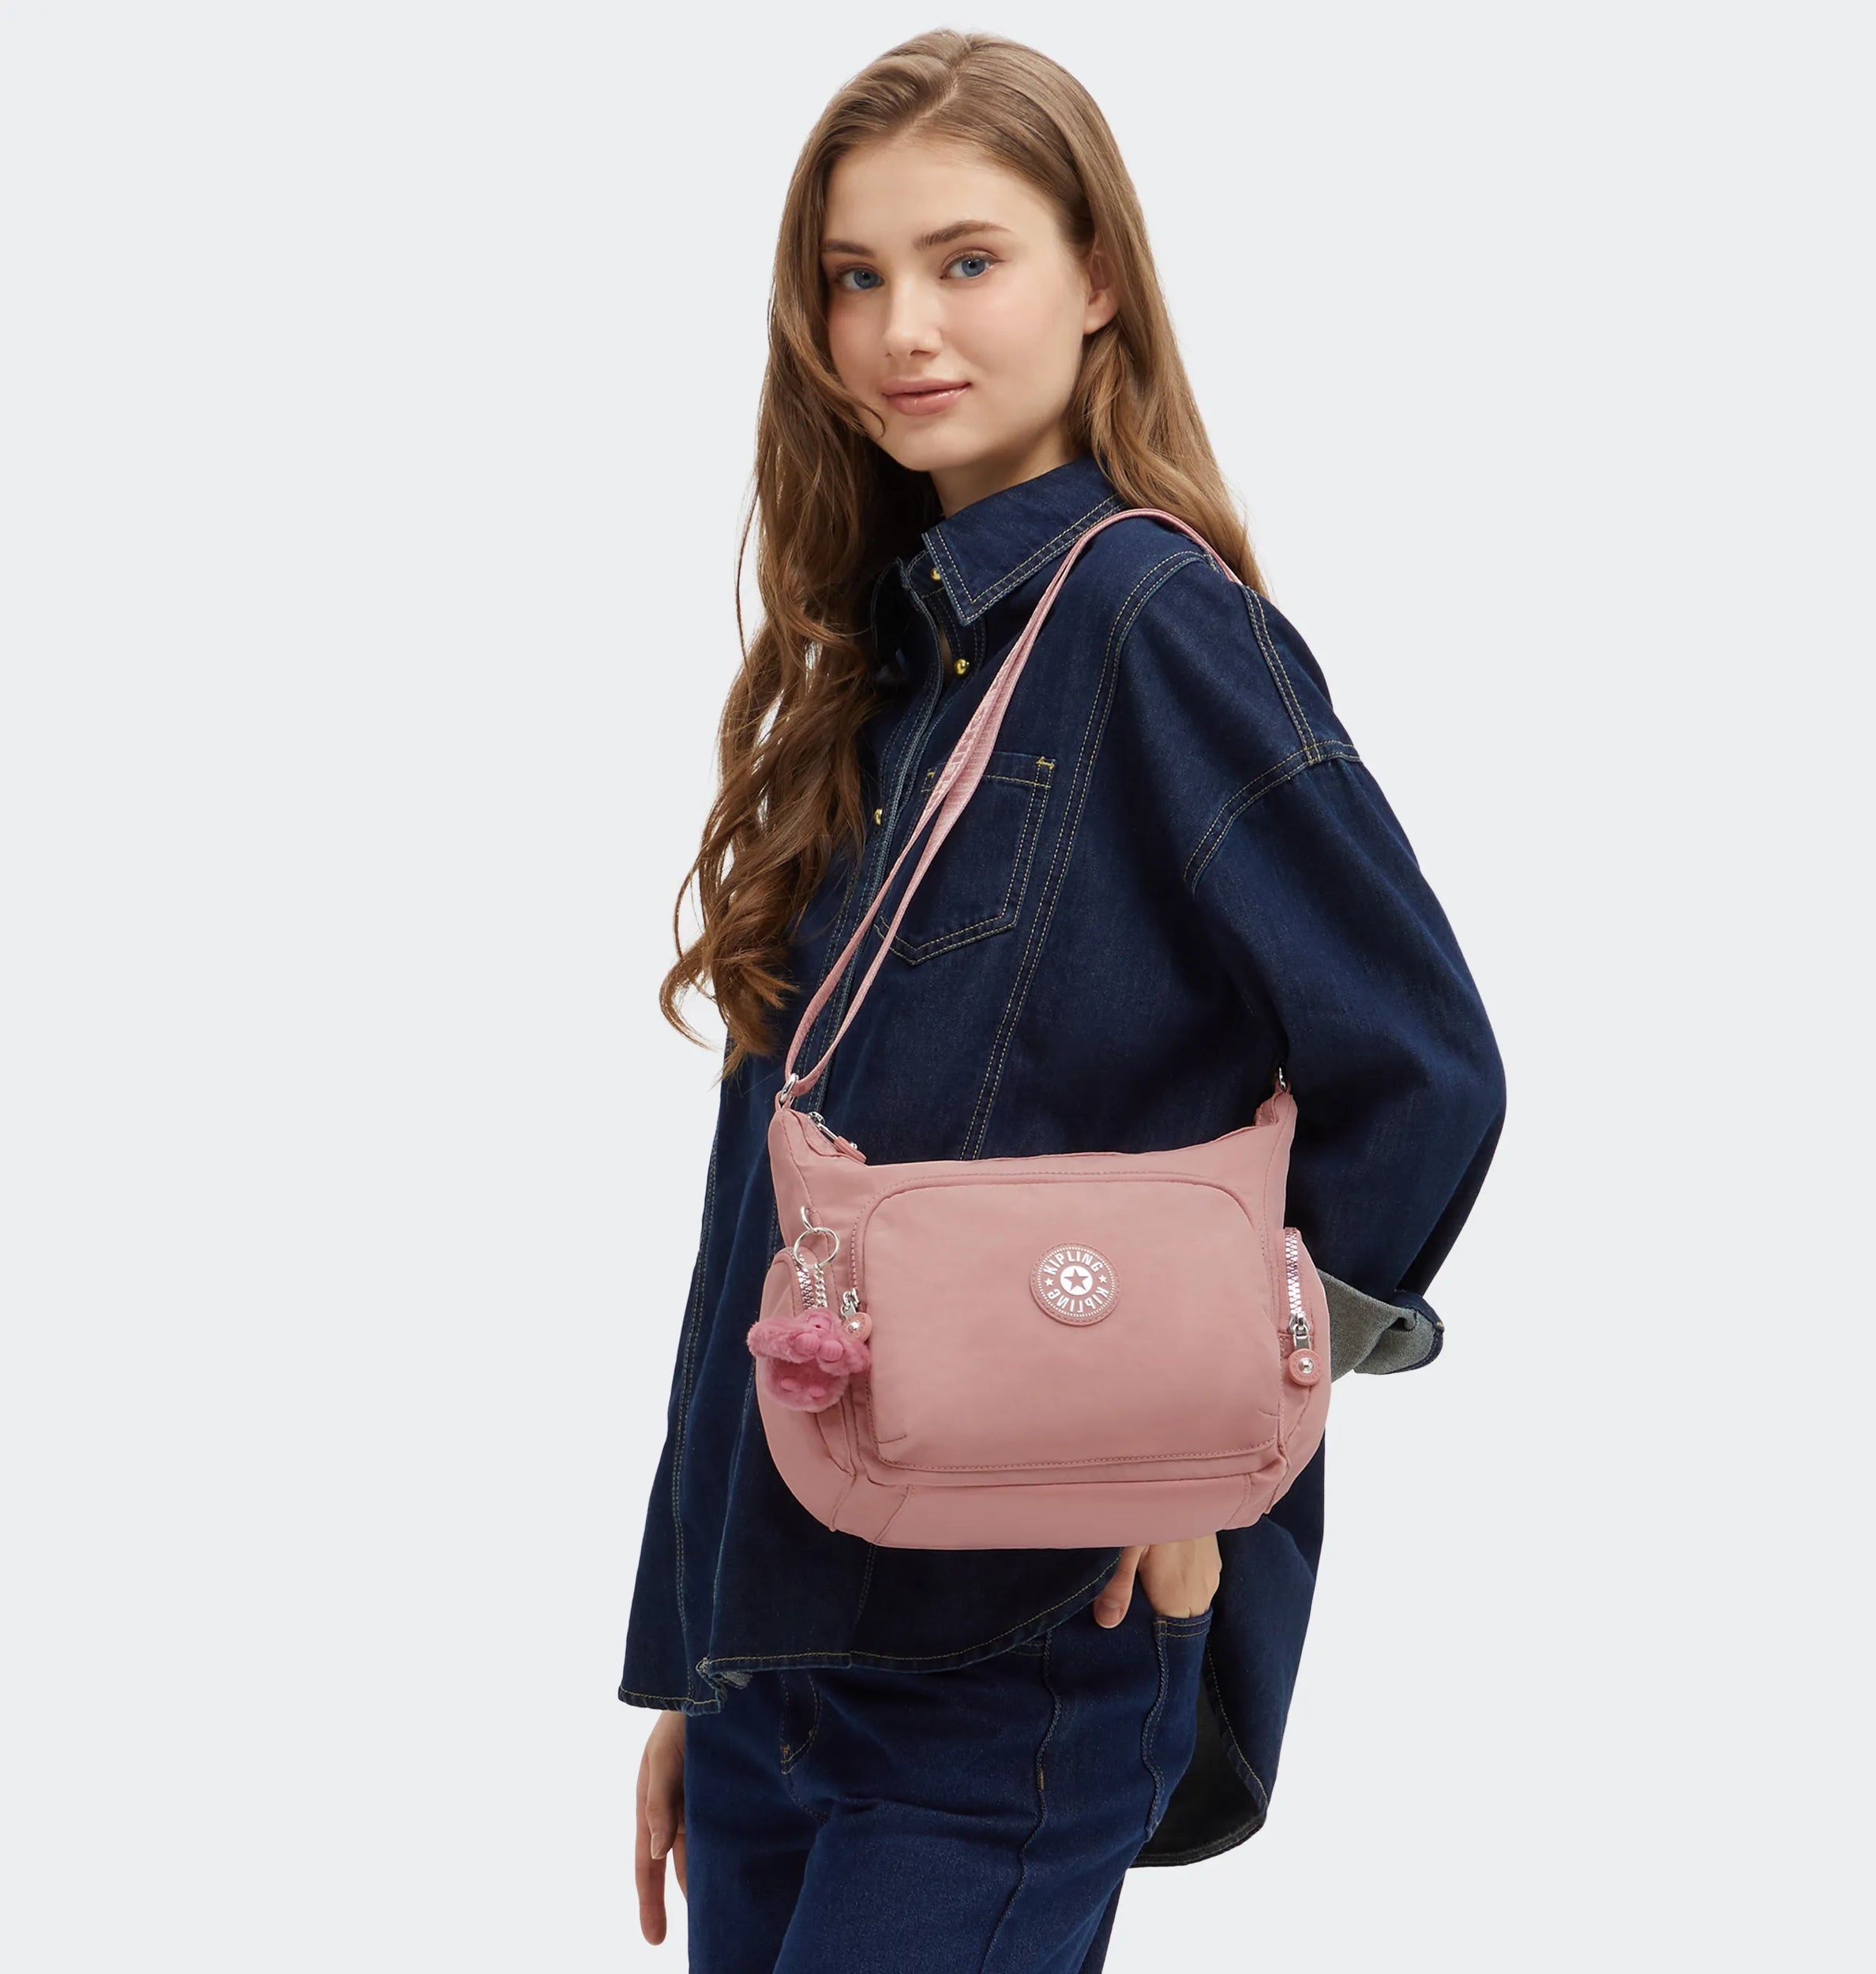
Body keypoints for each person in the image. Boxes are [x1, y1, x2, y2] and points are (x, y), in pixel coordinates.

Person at [623, 29, 1507, 1970]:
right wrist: (693, 1650)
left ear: (1095, 274)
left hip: (1011, 1648)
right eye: (853, 275)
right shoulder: (882, 675)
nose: (900, 329)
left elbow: (1422, 1067)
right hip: (783, 1650)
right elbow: (760, 1223)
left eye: (966, 260)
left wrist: (1216, 1441)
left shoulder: (1153, 625)